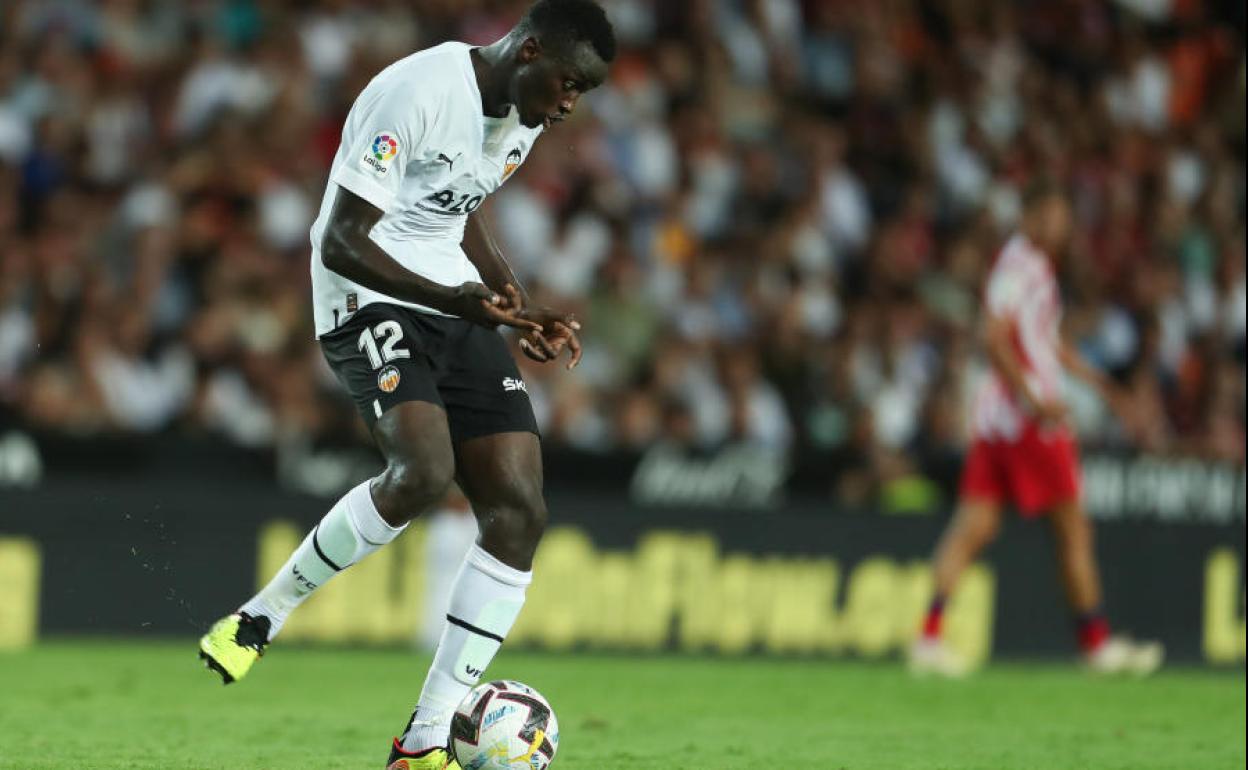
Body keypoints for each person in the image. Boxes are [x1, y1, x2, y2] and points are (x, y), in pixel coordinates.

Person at [196, 3, 615, 769]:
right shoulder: (418, 93)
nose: (567, 106)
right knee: (423, 471)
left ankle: (422, 746)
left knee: (520, 509)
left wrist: (517, 308)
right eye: (566, 84)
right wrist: (457, 301)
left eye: (580, 93)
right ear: (527, 51)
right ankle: (258, 619)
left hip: (450, 296)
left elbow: (462, 206)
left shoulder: (519, 117)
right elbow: (342, 240)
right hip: (366, 296)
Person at [909, 182, 1163, 678]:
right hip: (1030, 425)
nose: (1062, 227)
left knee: (974, 527)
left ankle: (928, 639)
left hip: (998, 423)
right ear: (1030, 216)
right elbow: (993, 337)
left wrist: (1106, 390)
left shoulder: (1035, 269)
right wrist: (1035, 401)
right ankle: (1096, 645)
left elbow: (1047, 345)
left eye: (1064, 218)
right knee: (1073, 529)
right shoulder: (1017, 267)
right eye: (1053, 215)